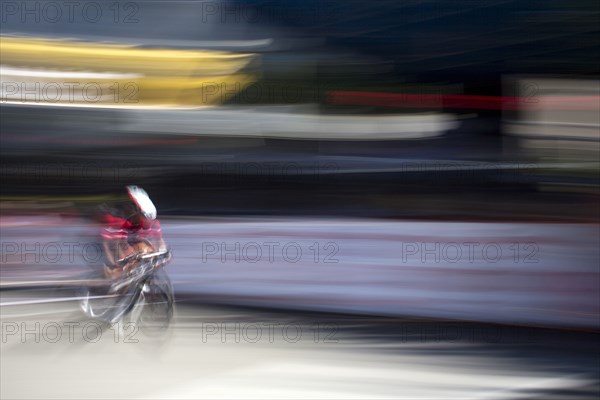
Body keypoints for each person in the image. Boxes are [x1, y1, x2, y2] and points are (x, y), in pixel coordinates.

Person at [98, 186, 168, 280]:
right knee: (130, 257)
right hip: (105, 243)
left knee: (145, 250)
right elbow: (110, 245)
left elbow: (159, 243)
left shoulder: (151, 223)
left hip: (121, 242)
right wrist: (117, 265)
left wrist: (162, 254)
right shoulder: (119, 221)